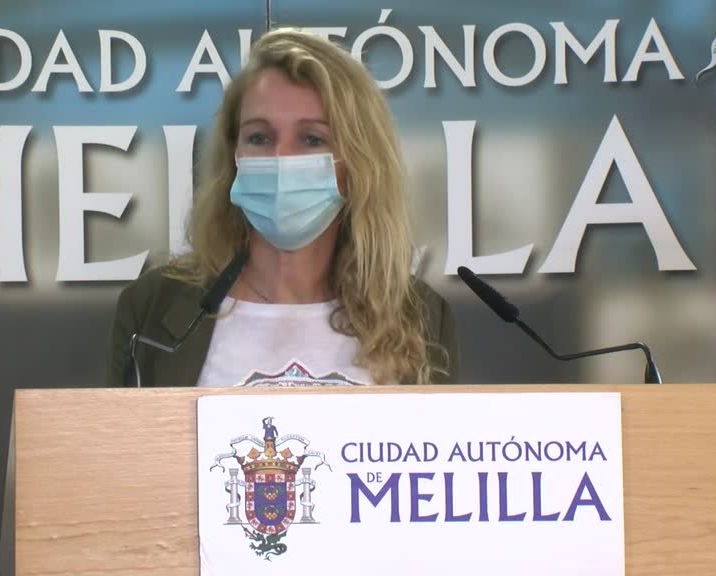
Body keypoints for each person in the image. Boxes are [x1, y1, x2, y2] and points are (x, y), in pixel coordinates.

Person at [105, 28, 459, 388]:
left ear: (358, 164)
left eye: (312, 139)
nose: (280, 158)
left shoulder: (419, 317)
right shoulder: (151, 308)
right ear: (234, 155)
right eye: (259, 137)